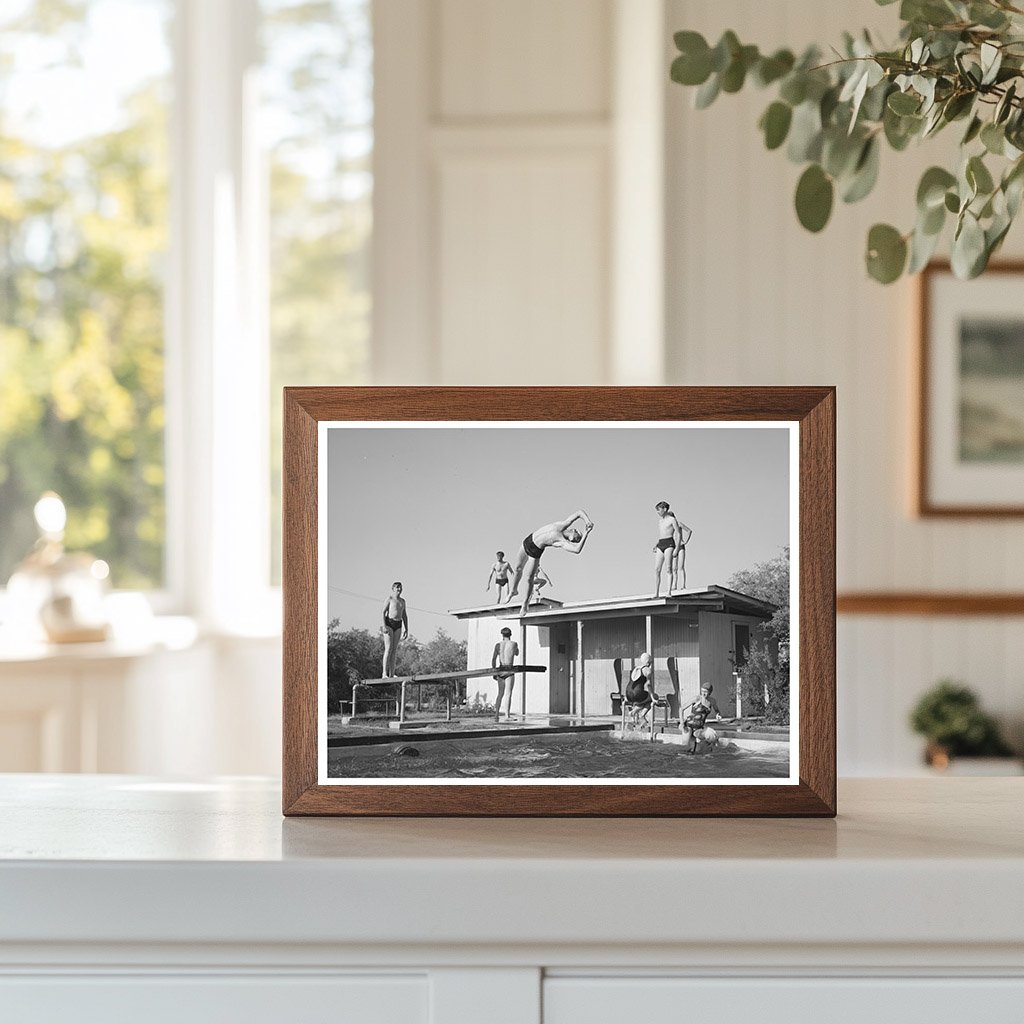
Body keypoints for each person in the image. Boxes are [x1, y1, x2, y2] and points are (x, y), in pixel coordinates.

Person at [508, 509, 594, 616]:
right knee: (517, 568)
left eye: (575, 540)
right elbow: (579, 513)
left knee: (529, 579)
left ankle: (525, 604)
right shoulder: (563, 524)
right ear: (574, 531)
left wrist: (586, 533)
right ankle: (513, 590)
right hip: (529, 540)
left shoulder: (561, 541)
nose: (573, 541)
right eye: (576, 538)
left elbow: (576, 550)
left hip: (536, 550)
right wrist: (587, 521)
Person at [681, 683, 722, 754]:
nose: (703, 693)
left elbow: (717, 711)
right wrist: (682, 723)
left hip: (699, 728)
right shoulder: (696, 699)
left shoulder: (712, 701)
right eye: (702, 691)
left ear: (710, 692)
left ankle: (708, 747)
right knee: (685, 748)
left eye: (705, 692)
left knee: (709, 738)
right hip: (688, 726)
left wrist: (718, 715)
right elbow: (681, 709)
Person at [490, 626, 520, 722]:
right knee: (508, 693)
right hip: (509, 669)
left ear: (502, 635)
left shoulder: (498, 645)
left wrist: (494, 671)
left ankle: (496, 714)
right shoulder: (514, 644)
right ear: (510, 635)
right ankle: (507, 715)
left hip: (500, 669)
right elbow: (517, 653)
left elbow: (493, 659)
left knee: (500, 693)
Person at [652, 501, 681, 598]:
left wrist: (677, 548)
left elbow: (678, 533)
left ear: (664, 509)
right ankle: (656, 593)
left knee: (668, 568)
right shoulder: (660, 521)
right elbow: (661, 533)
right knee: (657, 569)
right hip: (661, 543)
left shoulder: (672, 520)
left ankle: (669, 592)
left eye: (659, 510)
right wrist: (656, 544)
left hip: (669, 543)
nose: (658, 512)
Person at [381, 581, 408, 678]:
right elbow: (383, 612)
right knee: (388, 648)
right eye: (397, 588)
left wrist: (406, 629)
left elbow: (404, 614)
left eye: (400, 587)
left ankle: (392, 673)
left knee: (394, 650)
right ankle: (384, 673)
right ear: (393, 589)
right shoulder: (390, 599)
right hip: (389, 623)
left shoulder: (402, 601)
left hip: (398, 624)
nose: (399, 589)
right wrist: (384, 626)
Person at [624, 652, 658, 725]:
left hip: (628, 694)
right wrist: (653, 698)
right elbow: (648, 685)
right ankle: (642, 715)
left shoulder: (635, 669)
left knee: (641, 700)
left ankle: (633, 712)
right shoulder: (647, 670)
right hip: (637, 693)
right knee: (651, 700)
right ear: (648, 662)